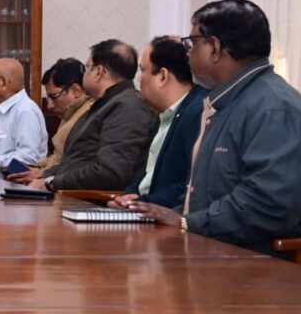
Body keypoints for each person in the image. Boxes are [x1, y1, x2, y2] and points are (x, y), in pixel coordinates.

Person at [131, 0, 301, 266]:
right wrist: (169, 215)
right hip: (219, 256)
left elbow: (269, 204)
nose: (187, 53)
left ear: (215, 48)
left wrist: (187, 222)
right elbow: (208, 194)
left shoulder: (275, 110)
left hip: (269, 272)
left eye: (191, 44)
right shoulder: (228, 104)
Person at [17, 39, 156, 191]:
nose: (84, 74)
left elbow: (110, 173)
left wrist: (51, 182)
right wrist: (44, 177)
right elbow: (74, 162)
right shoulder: (103, 104)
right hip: (70, 193)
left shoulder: (128, 107)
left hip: (89, 200)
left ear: (98, 72)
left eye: (87, 67)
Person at [108, 36, 206, 209]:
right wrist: (129, 195)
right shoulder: (163, 114)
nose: (139, 78)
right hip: (145, 212)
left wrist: (140, 203)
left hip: (169, 219)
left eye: (143, 70)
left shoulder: (198, 111)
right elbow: (146, 176)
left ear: (162, 76)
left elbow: (191, 186)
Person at [31, 58, 93, 171]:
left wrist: (41, 174)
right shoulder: (71, 112)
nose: (49, 106)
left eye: (54, 97)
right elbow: (58, 157)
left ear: (75, 90)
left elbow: (71, 166)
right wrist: (35, 168)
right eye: (48, 99)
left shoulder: (88, 115)